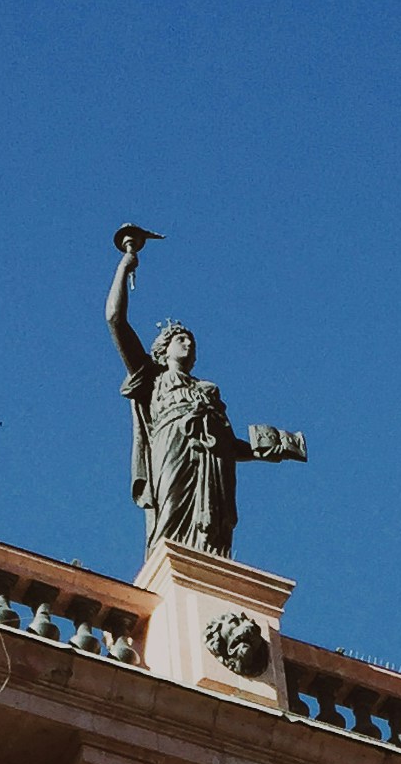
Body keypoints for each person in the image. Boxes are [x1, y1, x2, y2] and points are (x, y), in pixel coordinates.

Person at [105, 230, 303, 557]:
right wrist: (125, 267)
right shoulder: (151, 377)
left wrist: (264, 450)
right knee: (169, 520)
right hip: (172, 448)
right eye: (180, 339)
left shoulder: (207, 391)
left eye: (191, 341)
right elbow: (115, 319)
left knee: (215, 529)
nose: (189, 343)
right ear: (163, 349)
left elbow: (226, 444)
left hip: (213, 465)